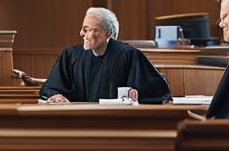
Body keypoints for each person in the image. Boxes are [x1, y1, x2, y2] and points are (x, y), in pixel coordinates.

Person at [40, 7, 170, 104]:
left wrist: (136, 95)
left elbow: (156, 91)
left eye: (87, 29)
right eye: (82, 29)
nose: (81, 33)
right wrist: (55, 96)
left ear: (108, 33)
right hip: (77, 122)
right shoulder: (70, 55)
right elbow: (51, 87)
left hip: (119, 124)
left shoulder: (129, 55)